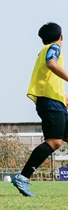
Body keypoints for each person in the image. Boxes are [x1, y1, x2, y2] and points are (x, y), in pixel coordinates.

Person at [13, 23, 68, 197]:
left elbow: (50, 77)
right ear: (61, 37)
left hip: (56, 102)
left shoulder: (45, 49)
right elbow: (51, 63)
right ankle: (23, 177)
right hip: (50, 103)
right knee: (55, 142)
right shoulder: (53, 48)